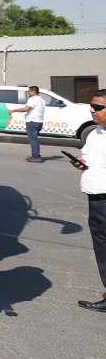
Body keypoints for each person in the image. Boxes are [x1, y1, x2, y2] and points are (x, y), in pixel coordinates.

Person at [73, 90, 106, 313]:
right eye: (91, 106)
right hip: (95, 200)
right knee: (102, 250)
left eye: (98, 107)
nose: (92, 110)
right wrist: (80, 162)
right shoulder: (96, 133)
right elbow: (87, 157)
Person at [10, 85, 46, 162]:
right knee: (35, 139)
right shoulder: (42, 100)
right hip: (39, 121)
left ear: (33, 91)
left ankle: (36, 156)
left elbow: (25, 109)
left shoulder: (33, 99)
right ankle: (35, 154)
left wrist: (13, 110)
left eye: (29, 91)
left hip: (32, 121)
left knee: (33, 140)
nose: (28, 93)